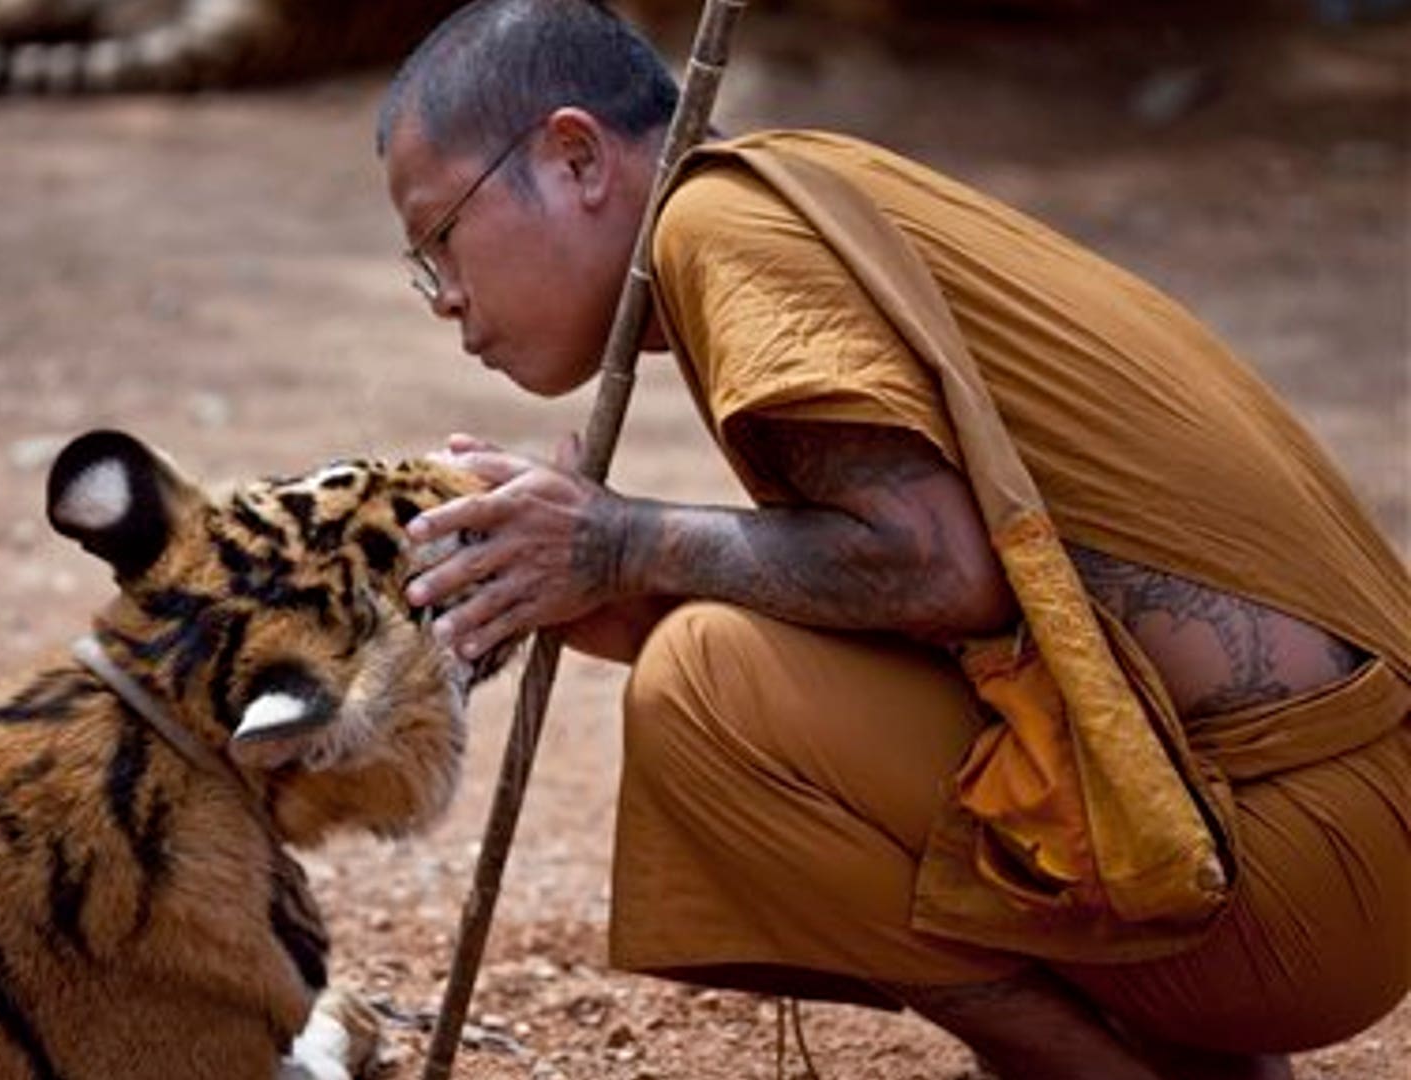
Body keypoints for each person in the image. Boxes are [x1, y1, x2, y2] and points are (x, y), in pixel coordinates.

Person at [375, 2, 1411, 1078]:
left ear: (577, 155)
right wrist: (603, 580)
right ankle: (1200, 1057)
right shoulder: (786, 190)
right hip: (1341, 842)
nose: (445, 299)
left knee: (702, 689)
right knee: (711, 658)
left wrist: (624, 539)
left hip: (1292, 863)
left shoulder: (717, 230)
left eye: (441, 237)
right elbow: (931, 611)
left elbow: (935, 566)